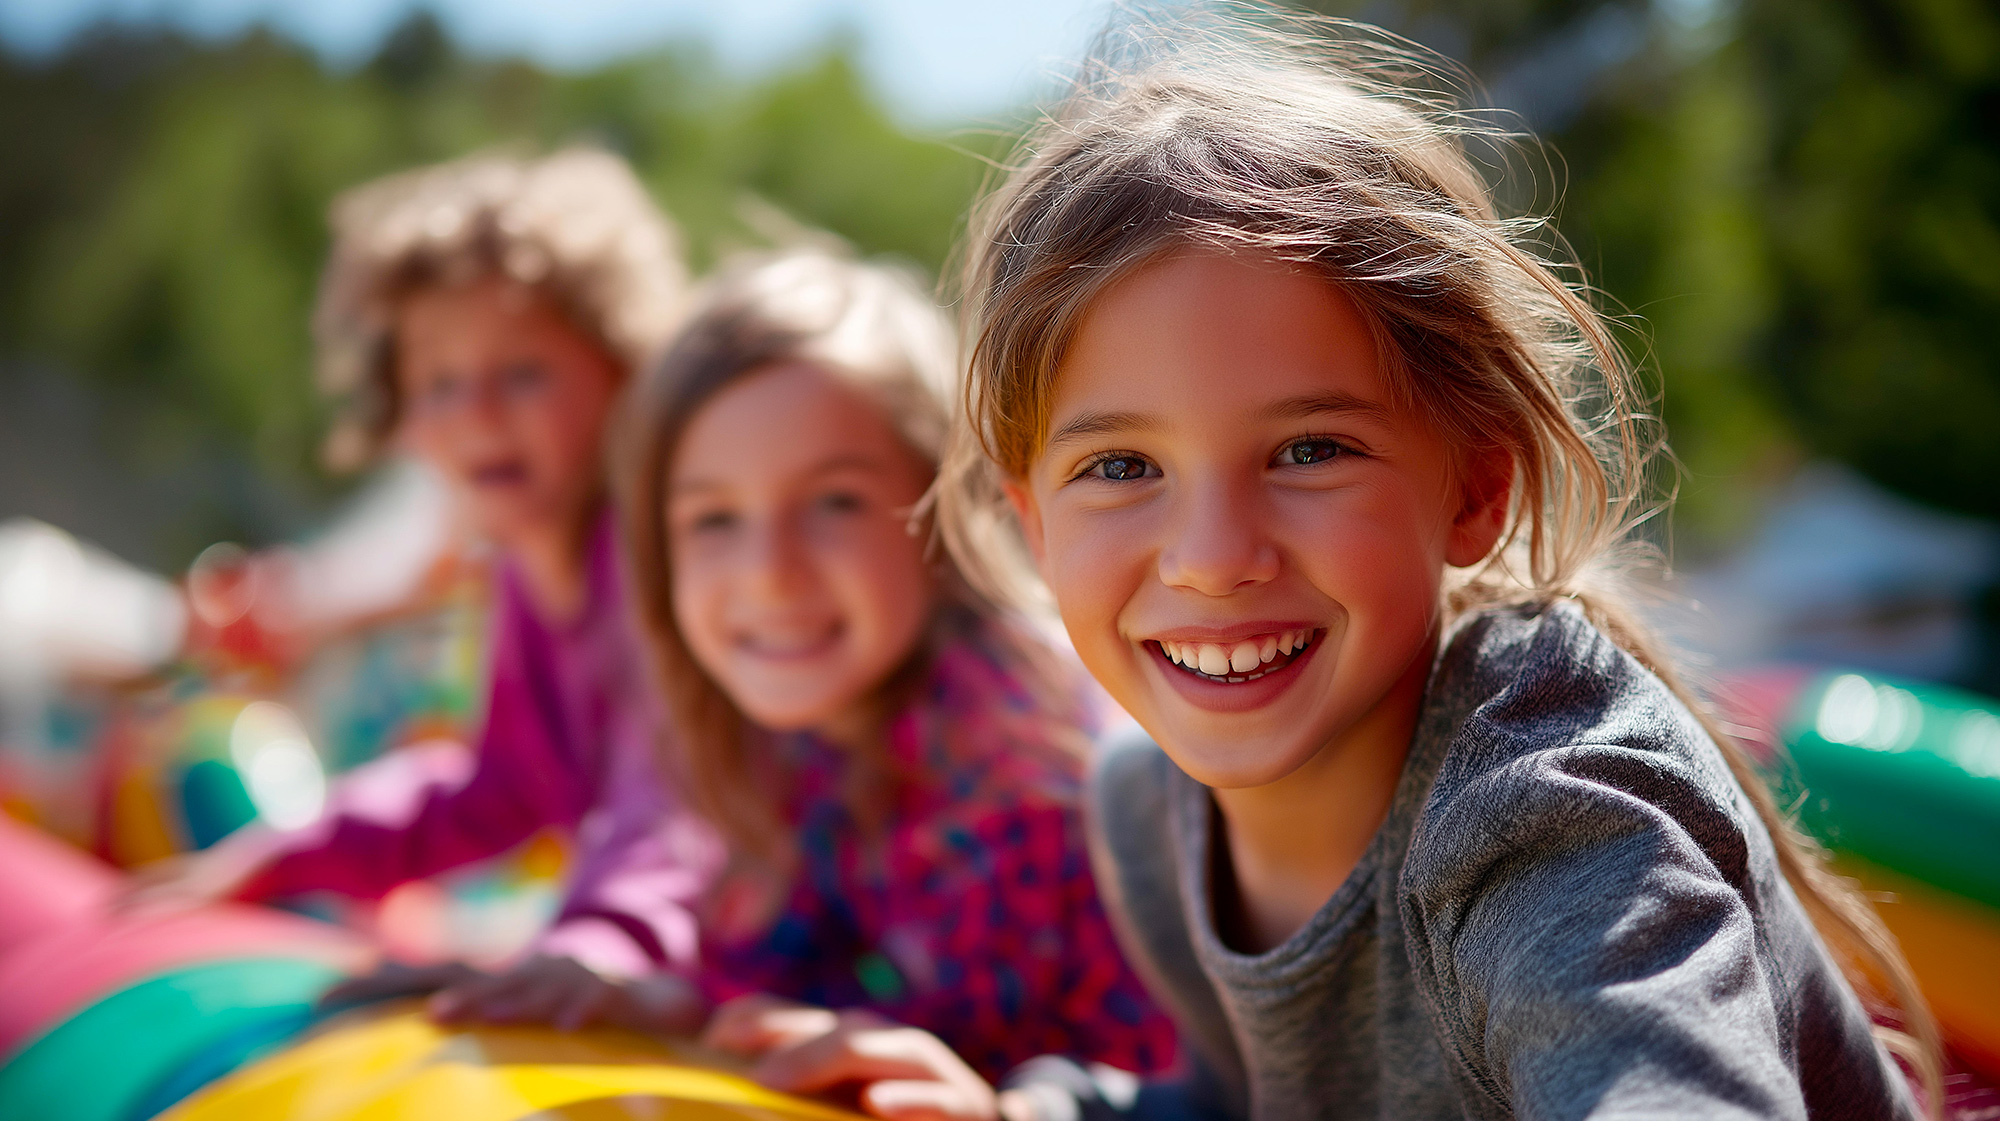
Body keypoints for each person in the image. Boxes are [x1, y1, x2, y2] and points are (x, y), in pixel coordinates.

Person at [734, 13, 1947, 1121]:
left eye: (1309, 450)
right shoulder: (1151, 812)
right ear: (1033, 524)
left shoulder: (1550, 816)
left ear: (1473, 486)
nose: (1212, 558)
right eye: (1118, 466)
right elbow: (1246, 1101)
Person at [421, 248, 1179, 1087]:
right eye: (715, 519)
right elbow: (772, 954)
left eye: (833, 502)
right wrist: (656, 995)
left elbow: (1111, 1066)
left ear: (940, 512)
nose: (769, 572)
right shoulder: (781, 744)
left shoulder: (1031, 758)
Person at [125, 148, 711, 979]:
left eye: (521, 372)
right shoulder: (521, 577)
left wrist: (595, 943)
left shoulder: (659, 560)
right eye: (437, 382)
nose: (475, 413)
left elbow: (678, 798)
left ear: (622, 371)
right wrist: (278, 859)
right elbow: (499, 784)